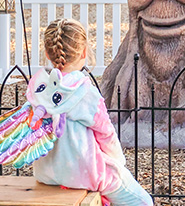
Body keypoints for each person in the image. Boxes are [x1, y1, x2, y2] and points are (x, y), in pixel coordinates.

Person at [34, 18, 153, 206]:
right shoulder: (85, 92)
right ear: (83, 52)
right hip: (86, 174)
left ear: (48, 54)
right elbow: (106, 135)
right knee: (143, 202)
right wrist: (118, 163)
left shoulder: (38, 90)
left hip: (47, 173)